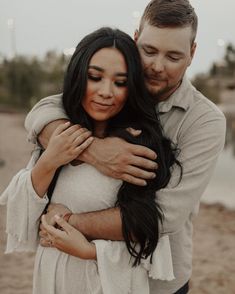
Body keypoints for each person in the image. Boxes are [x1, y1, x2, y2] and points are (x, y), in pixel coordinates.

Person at [23, 0, 226, 293]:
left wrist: (67, 221)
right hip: (79, 274)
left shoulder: (205, 121)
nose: (157, 66)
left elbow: (164, 216)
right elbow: (42, 113)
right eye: (150, 51)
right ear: (135, 40)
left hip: (155, 280)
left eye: (173, 56)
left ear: (192, 53)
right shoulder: (114, 89)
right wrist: (95, 151)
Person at [0, 27, 181, 294]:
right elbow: (22, 215)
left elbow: (147, 233)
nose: (106, 92)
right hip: (52, 277)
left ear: (131, 88)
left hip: (101, 283)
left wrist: (90, 251)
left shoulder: (137, 146)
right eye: (95, 77)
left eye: (120, 83)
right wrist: (50, 160)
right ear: (77, 76)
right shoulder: (60, 133)